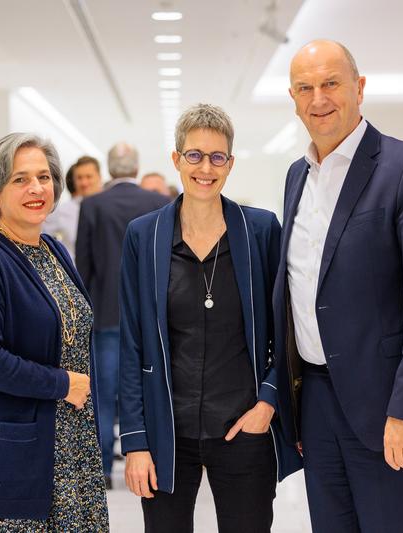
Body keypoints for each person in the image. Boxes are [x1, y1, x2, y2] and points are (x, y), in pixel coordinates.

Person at [272, 40, 403, 533]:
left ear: (358, 88)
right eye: (305, 88)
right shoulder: (297, 176)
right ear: (292, 99)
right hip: (315, 402)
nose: (319, 98)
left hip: (387, 406)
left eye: (331, 83)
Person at [119, 103, 301, 532]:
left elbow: (287, 329)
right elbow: (132, 343)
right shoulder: (143, 236)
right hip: (168, 430)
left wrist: (267, 403)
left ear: (231, 163)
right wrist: (136, 442)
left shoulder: (260, 231)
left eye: (217, 157)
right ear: (176, 159)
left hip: (242, 427)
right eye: (194, 155)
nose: (206, 167)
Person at [0, 133, 108, 531]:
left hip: (69, 448)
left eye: (44, 176)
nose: (36, 188)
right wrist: (61, 384)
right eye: (20, 179)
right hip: (10, 458)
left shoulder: (52, 249)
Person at [75, 142, 170, 487]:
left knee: (102, 393)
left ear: (109, 168)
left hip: (106, 312)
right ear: (136, 166)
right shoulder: (158, 202)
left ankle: (102, 469)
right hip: (151, 314)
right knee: (150, 387)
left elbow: (83, 266)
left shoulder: (92, 205)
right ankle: (154, 455)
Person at [42, 155, 103, 260]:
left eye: (88, 177)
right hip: (74, 272)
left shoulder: (110, 208)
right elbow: (42, 236)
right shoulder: (62, 211)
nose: (84, 183)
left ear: (99, 177)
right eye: (79, 178)